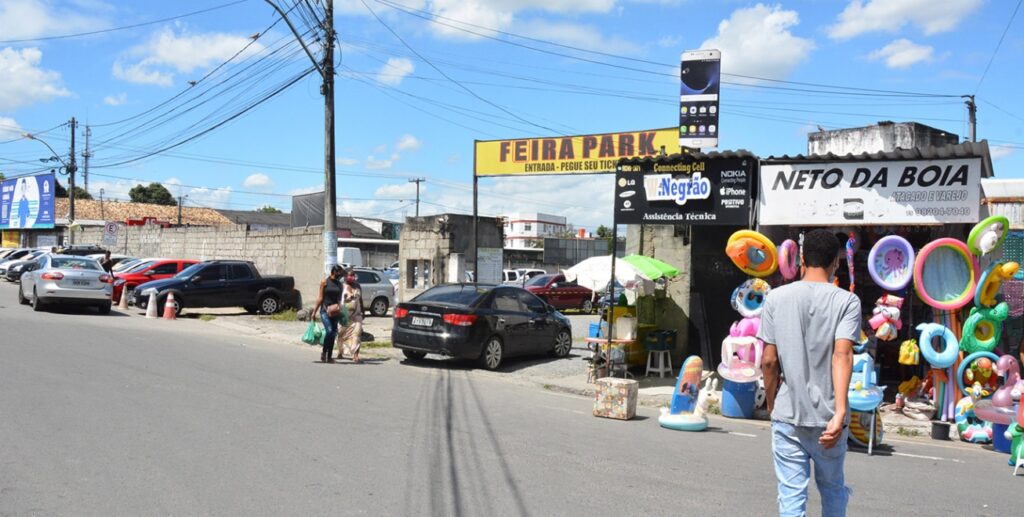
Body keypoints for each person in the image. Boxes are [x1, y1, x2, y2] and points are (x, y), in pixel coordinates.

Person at [757, 229, 860, 517]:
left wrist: (771, 403)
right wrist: (839, 413)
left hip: (788, 414)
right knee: (833, 489)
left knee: (791, 497)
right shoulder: (847, 302)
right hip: (830, 420)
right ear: (836, 263)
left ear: (802, 259)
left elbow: (768, 361)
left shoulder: (775, 298)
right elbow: (843, 355)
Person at [312, 265, 345, 363]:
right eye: (339, 272)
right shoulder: (324, 282)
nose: (340, 275)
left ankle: (329, 356)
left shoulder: (340, 285)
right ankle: (324, 352)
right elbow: (320, 298)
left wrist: (342, 311)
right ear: (334, 272)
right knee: (329, 331)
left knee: (333, 333)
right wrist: (314, 312)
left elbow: (339, 300)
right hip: (325, 311)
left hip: (335, 311)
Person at [338, 269, 364, 363]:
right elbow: (338, 299)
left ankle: (355, 355)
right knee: (342, 334)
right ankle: (341, 352)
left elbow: (360, 300)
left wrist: (363, 312)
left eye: (353, 275)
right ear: (345, 277)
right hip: (344, 314)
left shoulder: (358, 286)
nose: (351, 277)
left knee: (357, 334)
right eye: (349, 275)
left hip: (357, 314)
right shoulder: (342, 286)